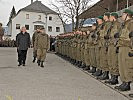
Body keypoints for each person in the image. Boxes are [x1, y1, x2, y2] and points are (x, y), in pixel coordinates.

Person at [114, 9, 133, 91]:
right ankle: (124, 82)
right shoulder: (124, 24)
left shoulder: (131, 23)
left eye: (123, 14)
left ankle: (127, 83)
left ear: (127, 15)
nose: (121, 16)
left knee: (127, 66)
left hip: (127, 47)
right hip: (121, 46)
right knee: (122, 66)